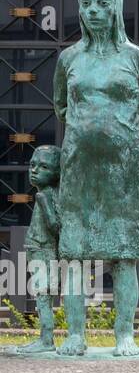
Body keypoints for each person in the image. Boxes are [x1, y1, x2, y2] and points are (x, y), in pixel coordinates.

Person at [54, 0, 139, 357]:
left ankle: (124, 335)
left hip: (123, 172)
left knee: (124, 253)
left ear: (116, 7)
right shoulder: (69, 58)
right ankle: (76, 336)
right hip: (79, 169)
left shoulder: (135, 58)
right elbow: (62, 108)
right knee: (76, 254)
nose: (93, 12)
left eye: (101, 4)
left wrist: (115, 134)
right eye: (86, 4)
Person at [14, 146, 61, 354]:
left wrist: (44, 204)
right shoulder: (44, 193)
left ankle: (46, 339)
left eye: (43, 167)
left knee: (43, 295)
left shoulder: (47, 195)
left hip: (43, 249)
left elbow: (55, 225)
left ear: (57, 172)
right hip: (37, 247)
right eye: (32, 165)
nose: (34, 170)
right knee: (41, 294)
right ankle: (45, 338)